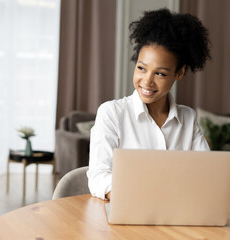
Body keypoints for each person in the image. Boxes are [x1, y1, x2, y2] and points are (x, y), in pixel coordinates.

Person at [87, 8, 211, 200]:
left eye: (160, 73)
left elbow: (207, 173)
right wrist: (137, 198)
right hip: (128, 211)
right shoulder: (112, 113)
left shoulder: (188, 118)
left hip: (176, 213)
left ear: (179, 73)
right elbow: (98, 176)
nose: (147, 81)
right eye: (141, 68)